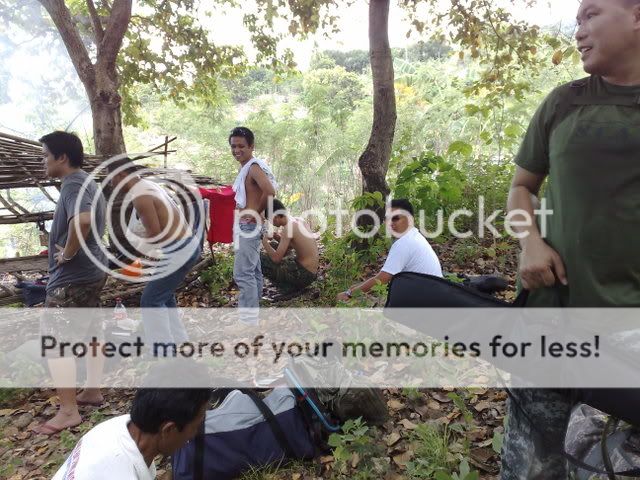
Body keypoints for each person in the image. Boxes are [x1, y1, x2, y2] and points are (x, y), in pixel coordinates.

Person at [502, 0, 640, 477]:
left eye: (592, 14)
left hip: (628, 333)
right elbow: (521, 187)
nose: (578, 30)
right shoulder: (565, 101)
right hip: (549, 320)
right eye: (577, 19)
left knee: (604, 464)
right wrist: (531, 243)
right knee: (531, 463)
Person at [35, 131, 108, 435]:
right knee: (91, 329)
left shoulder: (74, 183)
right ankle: (92, 390)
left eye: (45, 155)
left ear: (61, 158)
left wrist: (66, 253)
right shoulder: (87, 182)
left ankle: (68, 411)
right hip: (92, 272)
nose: (43, 161)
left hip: (74, 275)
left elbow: (84, 221)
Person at [108, 158, 202, 356]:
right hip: (183, 246)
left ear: (122, 175)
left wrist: (144, 256)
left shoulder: (140, 195)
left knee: (150, 300)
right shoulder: (147, 186)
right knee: (164, 297)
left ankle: (164, 355)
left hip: (179, 249)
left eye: (112, 180)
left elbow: (155, 233)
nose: (112, 185)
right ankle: (180, 344)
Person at [52, 375, 210, 479]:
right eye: (196, 426)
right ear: (168, 430)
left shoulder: (114, 427)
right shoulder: (119, 473)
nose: (194, 435)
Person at [336, 199, 442, 302]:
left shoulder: (405, 243)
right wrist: (356, 288)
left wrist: (348, 294)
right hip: (433, 295)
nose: (390, 223)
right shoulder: (413, 236)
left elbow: (382, 279)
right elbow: (385, 275)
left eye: (396, 218)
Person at [229, 127, 277, 324]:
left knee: (243, 273)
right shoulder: (247, 167)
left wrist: (255, 212)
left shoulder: (254, 167)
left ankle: (248, 321)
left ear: (251, 146)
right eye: (233, 146)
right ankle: (254, 316)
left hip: (249, 227)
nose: (237, 150)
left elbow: (270, 191)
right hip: (250, 227)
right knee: (253, 271)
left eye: (241, 146)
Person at [260, 198, 319, 293]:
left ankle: (287, 288)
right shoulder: (298, 220)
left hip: (304, 275)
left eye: (270, 220)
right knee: (274, 245)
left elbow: (276, 259)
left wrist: (263, 241)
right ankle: (291, 285)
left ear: (275, 216)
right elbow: (292, 246)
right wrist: (276, 236)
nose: (271, 223)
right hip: (311, 273)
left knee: (259, 258)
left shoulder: (288, 228)